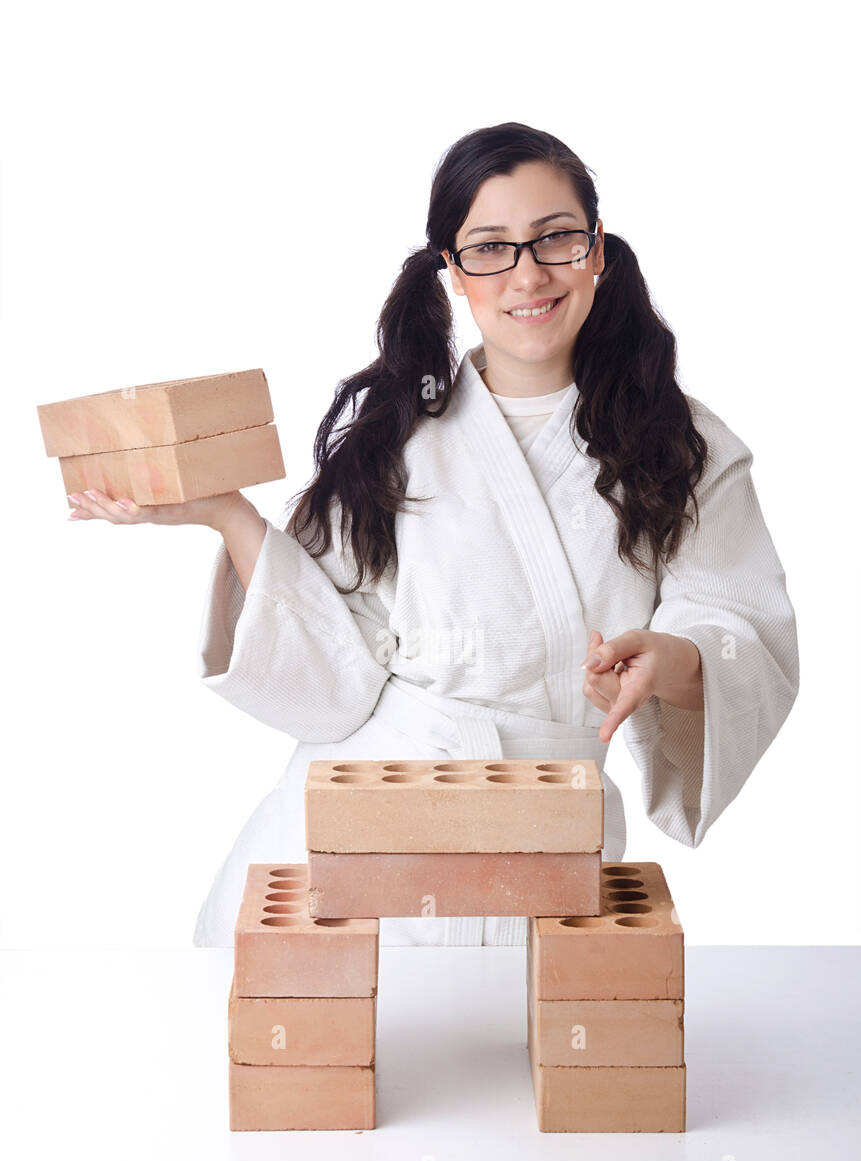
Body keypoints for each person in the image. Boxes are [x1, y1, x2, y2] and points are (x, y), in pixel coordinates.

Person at [67, 121, 800, 948]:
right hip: (354, 826)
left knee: (529, 1062)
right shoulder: (392, 438)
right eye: (489, 247)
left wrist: (678, 660)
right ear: (453, 272)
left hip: (547, 829)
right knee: (315, 1059)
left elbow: (742, 622)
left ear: (595, 248)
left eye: (554, 238)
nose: (527, 272)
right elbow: (330, 682)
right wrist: (228, 515)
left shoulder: (683, 444)